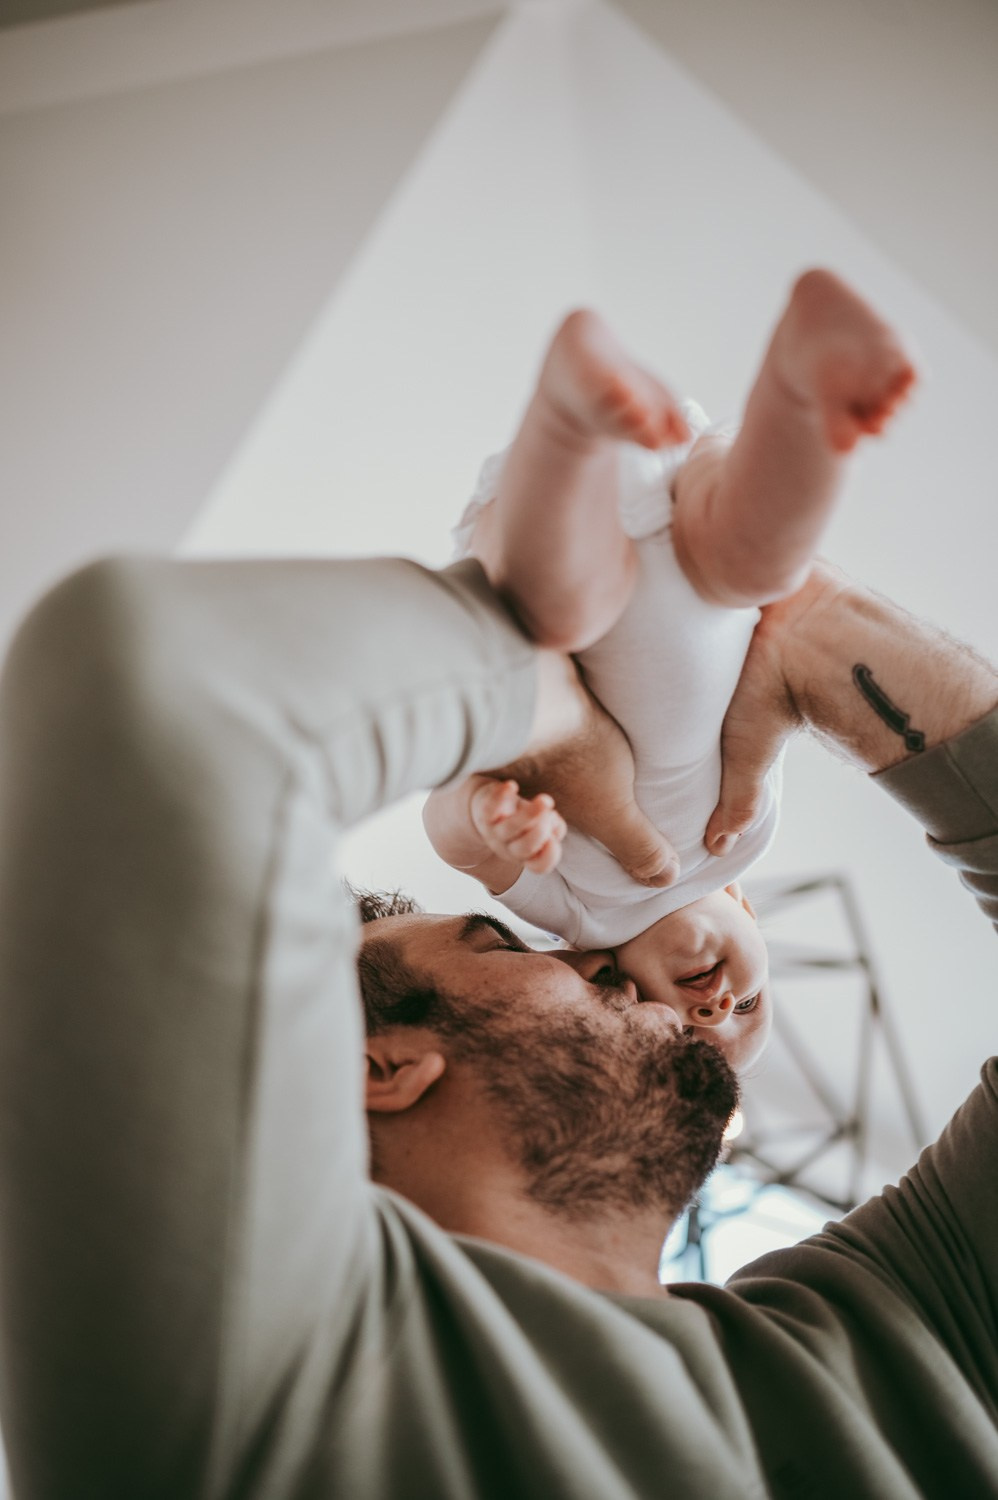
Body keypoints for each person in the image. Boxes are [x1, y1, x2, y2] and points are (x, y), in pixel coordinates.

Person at [0, 535, 996, 1498]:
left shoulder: (883, 1325)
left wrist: (809, 632)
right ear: (378, 1067)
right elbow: (131, 674)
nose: (608, 961)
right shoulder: (250, 1373)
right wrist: (547, 712)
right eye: (506, 944)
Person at [425, 269, 917, 1072]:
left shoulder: (586, 914)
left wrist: (481, 815)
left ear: (619, 997)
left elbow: (460, 849)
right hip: (699, 560)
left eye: (694, 1032)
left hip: (561, 547)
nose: (717, 1007)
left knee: (563, 606)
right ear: (747, 910)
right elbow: (764, 698)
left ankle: (567, 406)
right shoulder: (744, 844)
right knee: (761, 567)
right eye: (749, 1006)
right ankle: (803, 380)